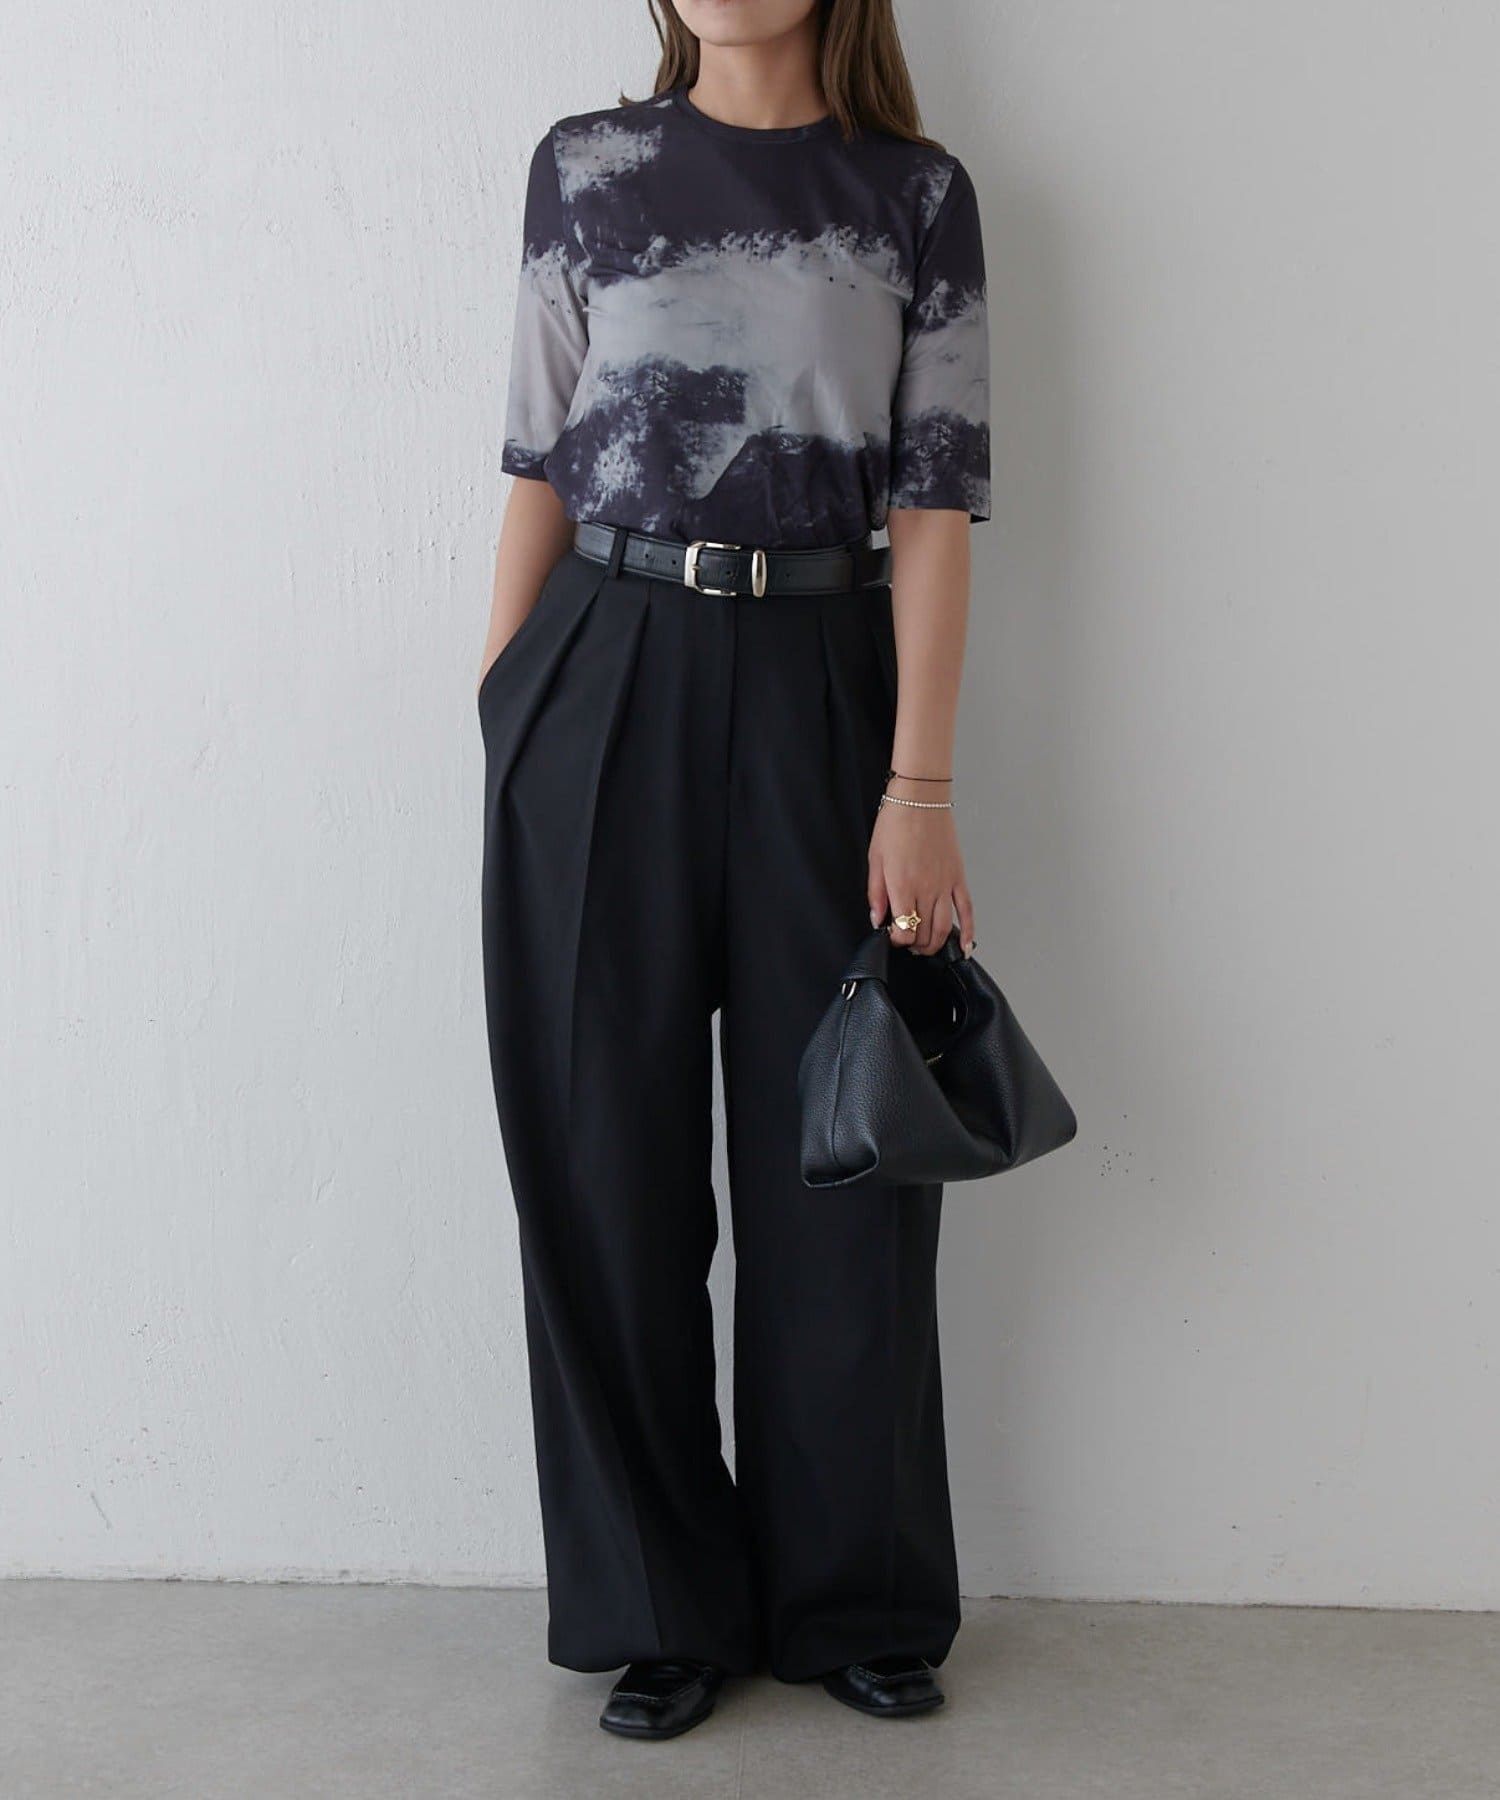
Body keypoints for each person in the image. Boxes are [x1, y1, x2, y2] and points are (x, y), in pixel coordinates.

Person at [476, 0, 989, 1741]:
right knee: (597, 1154)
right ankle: (657, 1602)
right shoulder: (586, 167)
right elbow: (539, 459)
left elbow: (934, 506)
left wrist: (920, 783)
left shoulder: (913, 194)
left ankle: (854, 1596)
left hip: (825, 681)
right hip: (599, 669)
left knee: (846, 1156)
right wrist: (507, 712)